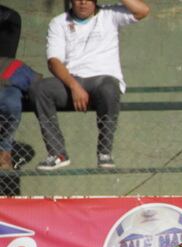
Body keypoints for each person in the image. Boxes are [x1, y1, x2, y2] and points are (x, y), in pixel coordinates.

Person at [30, 0, 150, 171]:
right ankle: (57, 153)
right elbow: (54, 62)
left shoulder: (110, 14)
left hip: (102, 82)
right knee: (39, 89)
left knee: (109, 87)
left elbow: (143, 11)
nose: (83, 2)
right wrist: (74, 87)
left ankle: (104, 153)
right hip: (72, 83)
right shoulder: (59, 22)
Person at [0, 58, 41, 171]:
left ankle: (5, 153)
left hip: (10, 97)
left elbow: (37, 81)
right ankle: (5, 153)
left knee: (11, 100)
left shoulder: (13, 67)